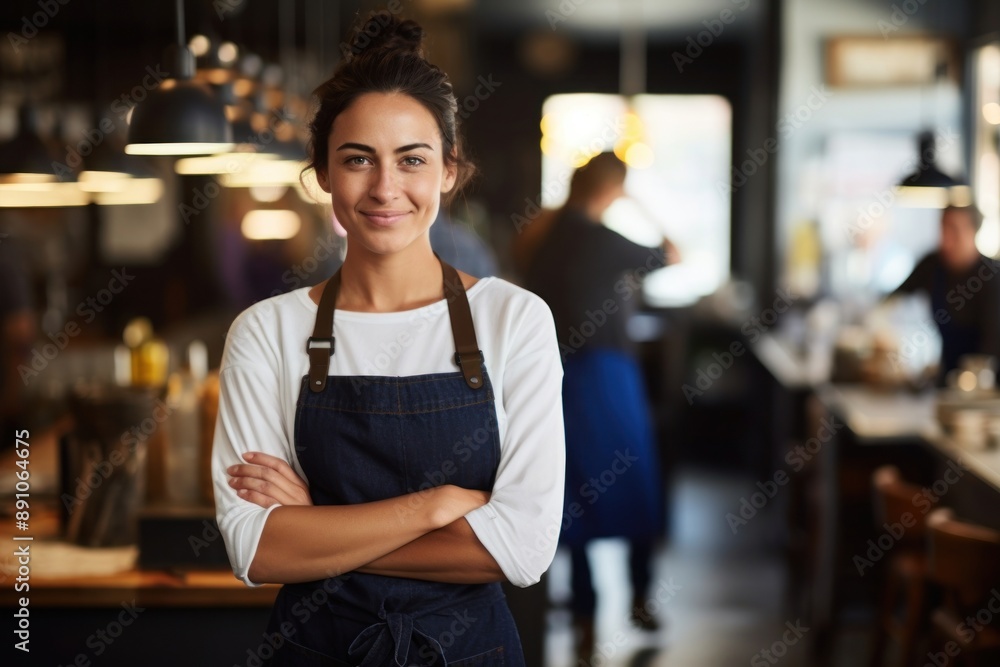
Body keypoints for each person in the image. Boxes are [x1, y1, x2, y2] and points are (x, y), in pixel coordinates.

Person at [212, 12, 565, 666]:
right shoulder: (267, 331)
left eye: (412, 160)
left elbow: (522, 546)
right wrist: (436, 505)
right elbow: (257, 550)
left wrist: (320, 520)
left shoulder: (514, 321)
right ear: (322, 173)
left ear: (449, 171)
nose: (384, 188)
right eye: (356, 159)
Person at [525, 152, 675, 659]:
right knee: (636, 484)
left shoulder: (541, 235)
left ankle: (587, 615)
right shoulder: (601, 237)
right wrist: (640, 203)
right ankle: (640, 597)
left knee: (576, 494)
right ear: (613, 188)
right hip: (607, 376)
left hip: (555, 379)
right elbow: (671, 253)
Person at [890, 204, 1000, 380]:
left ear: (973, 232)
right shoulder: (932, 265)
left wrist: (970, 381)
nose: (946, 240)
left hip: (988, 387)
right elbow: (893, 298)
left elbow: (992, 346)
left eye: (954, 230)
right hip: (946, 376)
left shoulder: (992, 277)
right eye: (943, 229)